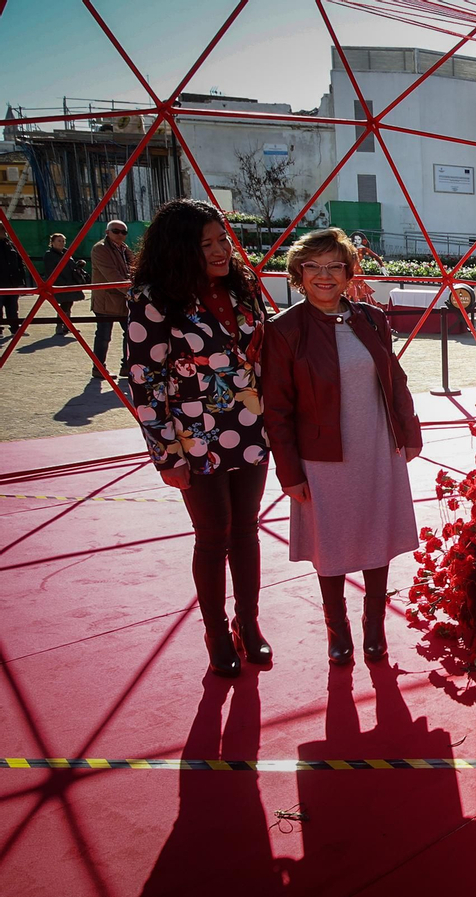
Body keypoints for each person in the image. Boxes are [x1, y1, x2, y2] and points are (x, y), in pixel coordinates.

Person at [124, 200, 273, 678]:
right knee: (213, 536)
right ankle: (215, 632)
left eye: (222, 239)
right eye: (206, 243)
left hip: (249, 428)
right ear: (180, 248)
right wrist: (165, 454)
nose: (220, 250)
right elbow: (143, 379)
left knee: (246, 531)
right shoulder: (153, 298)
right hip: (194, 437)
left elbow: (263, 350)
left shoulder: (243, 287)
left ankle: (247, 625)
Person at [262, 228, 422, 665]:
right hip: (322, 457)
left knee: (377, 535)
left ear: (350, 271)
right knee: (329, 544)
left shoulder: (371, 318)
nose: (325, 275)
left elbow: (395, 379)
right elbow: (276, 410)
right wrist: (290, 472)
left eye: (335, 265)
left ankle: (374, 628)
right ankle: (338, 630)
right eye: (313, 266)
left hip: (377, 447)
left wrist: (408, 432)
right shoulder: (283, 330)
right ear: (298, 273)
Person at [91, 220, 134, 379]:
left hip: (123, 299)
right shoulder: (100, 249)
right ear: (107, 232)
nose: (120, 235)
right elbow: (111, 276)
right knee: (103, 336)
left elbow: (134, 268)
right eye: (116, 231)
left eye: (124, 232)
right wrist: (133, 291)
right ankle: (98, 368)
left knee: (130, 333)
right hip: (107, 299)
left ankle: (126, 366)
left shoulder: (124, 249)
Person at [43, 233, 89, 337]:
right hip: (61, 283)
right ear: (52, 242)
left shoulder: (66, 253)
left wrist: (78, 265)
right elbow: (50, 270)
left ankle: (66, 326)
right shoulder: (49, 255)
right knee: (64, 305)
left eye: (63, 241)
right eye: (59, 241)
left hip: (70, 282)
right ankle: (60, 326)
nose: (61, 243)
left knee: (68, 304)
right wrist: (60, 281)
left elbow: (70, 266)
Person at [0, 234, 27, 340]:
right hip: (1, 282)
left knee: (13, 307)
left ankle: (15, 328)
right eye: (2, 229)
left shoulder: (10, 244)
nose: (5, 232)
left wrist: (21, 280)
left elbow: (19, 262)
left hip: (12, 282)